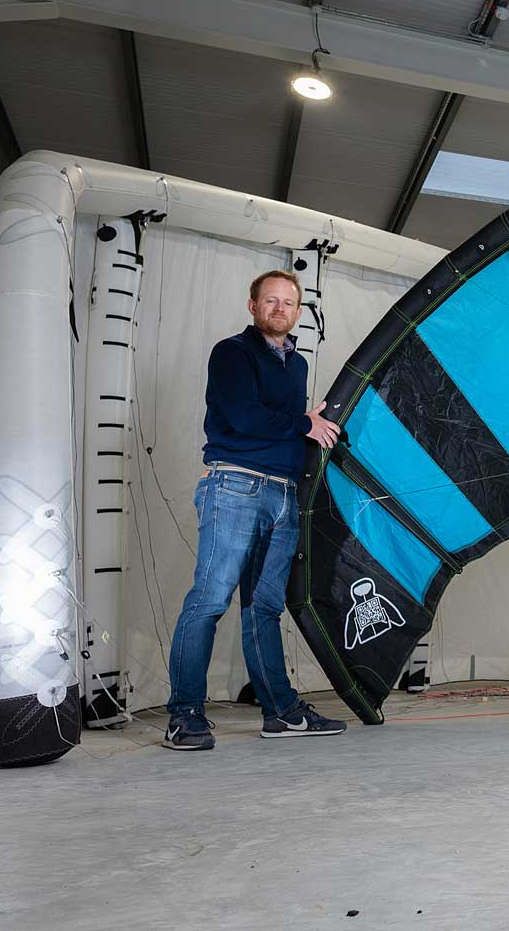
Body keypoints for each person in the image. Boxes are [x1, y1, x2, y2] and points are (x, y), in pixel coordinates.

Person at [163, 270, 347, 750]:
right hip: (235, 487)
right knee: (209, 601)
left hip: (282, 495)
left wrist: (310, 430)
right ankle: (184, 716)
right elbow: (244, 418)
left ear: (298, 310)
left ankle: (281, 712)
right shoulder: (233, 353)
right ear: (253, 306)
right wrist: (302, 423)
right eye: (271, 301)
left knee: (264, 607)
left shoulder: (298, 366)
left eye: (289, 302)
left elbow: (289, 430)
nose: (280, 309)